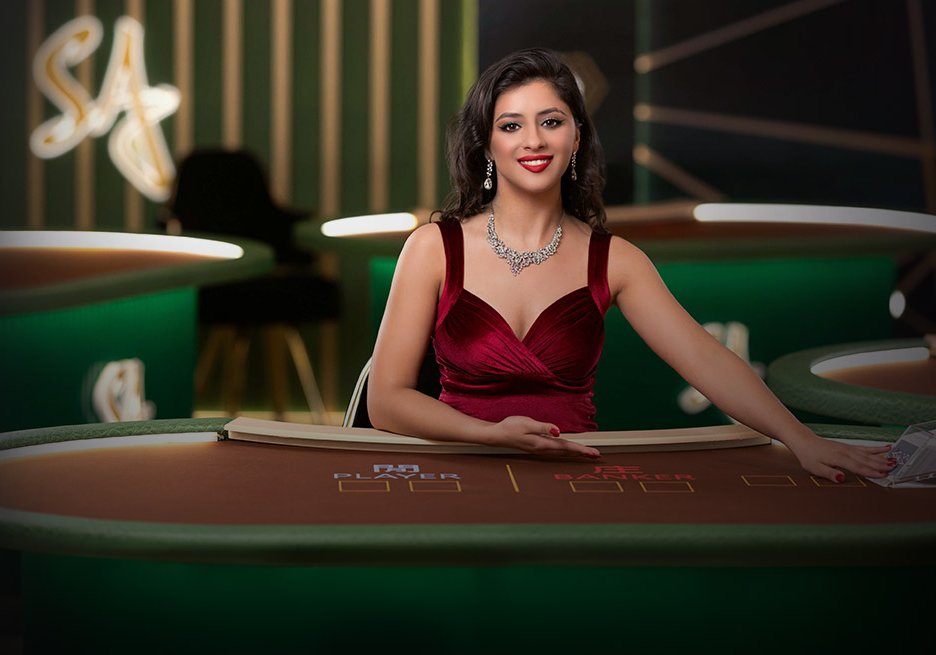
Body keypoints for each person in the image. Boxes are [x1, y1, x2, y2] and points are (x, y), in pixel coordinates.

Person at [367, 48, 892, 482]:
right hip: (456, 473)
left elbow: (706, 361)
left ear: (575, 137)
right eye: (511, 125)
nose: (533, 140)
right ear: (486, 144)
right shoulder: (434, 247)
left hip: (574, 478)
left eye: (551, 121)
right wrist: (488, 433)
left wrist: (802, 440)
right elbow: (386, 401)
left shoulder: (616, 260)